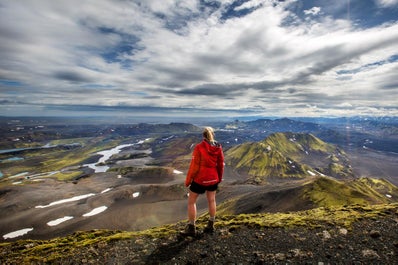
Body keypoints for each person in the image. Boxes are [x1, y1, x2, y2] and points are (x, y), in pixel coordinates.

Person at [184, 126, 224, 235]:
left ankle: (192, 227)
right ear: (213, 134)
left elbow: (194, 166)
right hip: (213, 178)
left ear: (203, 136)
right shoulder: (218, 147)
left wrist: (188, 181)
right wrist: (219, 178)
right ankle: (211, 225)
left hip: (200, 179)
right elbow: (220, 165)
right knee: (212, 200)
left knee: (191, 202)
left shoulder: (199, 147)